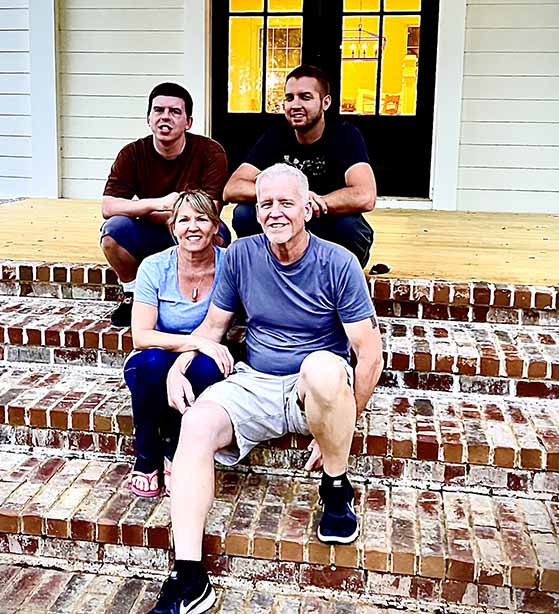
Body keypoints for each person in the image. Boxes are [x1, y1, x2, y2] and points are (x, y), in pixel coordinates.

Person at [148, 164, 384, 613]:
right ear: (256, 212)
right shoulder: (239, 256)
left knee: (322, 368)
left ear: (308, 208)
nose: (275, 212)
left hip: (314, 386)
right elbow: (214, 327)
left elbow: (369, 354)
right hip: (254, 381)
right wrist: (179, 367)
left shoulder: (339, 262)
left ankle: (336, 485)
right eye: (266, 204)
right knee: (195, 426)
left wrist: (340, 425)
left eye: (286, 203)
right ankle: (189, 575)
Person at [123, 190, 233, 497]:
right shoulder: (154, 267)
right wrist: (192, 343)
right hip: (159, 353)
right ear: (173, 228)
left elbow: (217, 329)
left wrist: (192, 354)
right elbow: (141, 336)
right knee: (152, 363)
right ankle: (146, 456)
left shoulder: (229, 266)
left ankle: (174, 451)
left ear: (215, 227)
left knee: (208, 366)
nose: (192, 226)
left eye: (202, 218)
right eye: (184, 219)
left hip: (205, 355)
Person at [100, 82, 231, 327]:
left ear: (188, 122)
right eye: (158, 110)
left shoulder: (210, 152)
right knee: (113, 232)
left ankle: (208, 299)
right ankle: (133, 293)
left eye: (174, 112)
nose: (165, 118)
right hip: (151, 231)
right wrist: (157, 204)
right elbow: (108, 206)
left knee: (218, 234)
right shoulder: (132, 153)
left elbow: (210, 210)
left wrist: (150, 212)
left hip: (188, 229)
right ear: (148, 118)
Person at [223, 64, 377, 268]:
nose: (295, 105)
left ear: (326, 102)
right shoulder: (275, 136)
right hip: (286, 220)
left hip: (325, 219)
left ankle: (338, 275)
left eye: (305, 97)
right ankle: (267, 269)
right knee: (245, 214)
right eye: (289, 98)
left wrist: (316, 202)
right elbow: (232, 188)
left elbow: (365, 195)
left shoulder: (345, 135)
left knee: (351, 227)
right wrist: (293, 198)